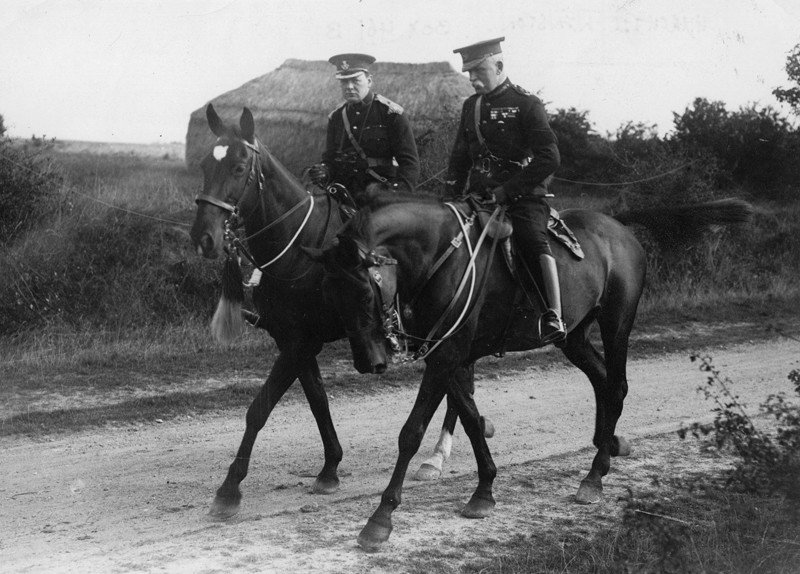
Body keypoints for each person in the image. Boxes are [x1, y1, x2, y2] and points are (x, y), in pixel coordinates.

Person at [445, 37, 566, 346]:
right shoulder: (471, 106)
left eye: (479, 71)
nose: (472, 79)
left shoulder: (526, 103)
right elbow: (459, 158)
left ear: (498, 66)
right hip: (478, 197)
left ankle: (553, 314)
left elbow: (549, 157)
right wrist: (449, 195)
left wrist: (506, 191)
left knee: (531, 239)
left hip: (522, 197)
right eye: (469, 73)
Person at [307, 53, 420, 206]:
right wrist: (324, 170)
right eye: (344, 82)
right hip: (344, 196)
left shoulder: (390, 114)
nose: (349, 87)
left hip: (381, 196)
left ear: (369, 81)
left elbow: (410, 164)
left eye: (355, 80)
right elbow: (330, 159)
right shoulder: (336, 117)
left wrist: (396, 195)